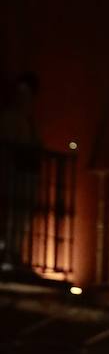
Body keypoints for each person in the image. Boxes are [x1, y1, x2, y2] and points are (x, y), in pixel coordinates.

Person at [0, 72, 42, 272]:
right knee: (12, 216)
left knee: (21, 217)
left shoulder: (29, 120)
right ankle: (9, 253)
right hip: (14, 174)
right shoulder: (11, 118)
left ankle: (14, 252)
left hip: (25, 174)